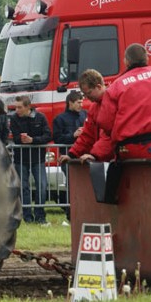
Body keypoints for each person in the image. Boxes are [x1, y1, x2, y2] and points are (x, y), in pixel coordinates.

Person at [97, 43, 151, 161]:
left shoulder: (116, 86)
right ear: (147, 58)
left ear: (126, 62)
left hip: (128, 149)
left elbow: (105, 122)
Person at [9, 95, 51, 225]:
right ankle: (27, 216)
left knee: (42, 186)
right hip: (21, 159)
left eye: (19, 107)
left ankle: (40, 216)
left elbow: (48, 135)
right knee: (23, 188)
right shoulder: (14, 119)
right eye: (16, 107)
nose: (17, 110)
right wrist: (22, 140)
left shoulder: (40, 117)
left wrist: (33, 140)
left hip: (38, 159)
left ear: (28, 107)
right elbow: (15, 138)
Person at [60, 69, 115, 163]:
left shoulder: (112, 103)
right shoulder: (94, 107)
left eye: (88, 93)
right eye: (84, 94)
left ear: (99, 87)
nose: (87, 97)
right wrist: (72, 154)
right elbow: (87, 134)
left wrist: (95, 155)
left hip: (114, 157)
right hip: (105, 157)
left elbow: (108, 136)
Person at [52, 89, 87, 223]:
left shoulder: (85, 115)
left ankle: (85, 212)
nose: (81, 105)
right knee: (72, 186)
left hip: (84, 155)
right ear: (70, 103)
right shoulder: (60, 119)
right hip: (68, 157)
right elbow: (57, 138)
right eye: (78, 102)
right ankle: (70, 214)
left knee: (86, 186)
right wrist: (73, 135)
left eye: (82, 102)